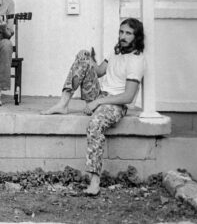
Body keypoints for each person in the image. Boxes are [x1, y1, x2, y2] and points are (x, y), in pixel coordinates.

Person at [41, 18, 145, 195]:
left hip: (115, 103)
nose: (123, 36)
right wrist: (88, 59)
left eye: (128, 33)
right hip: (99, 94)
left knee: (95, 125)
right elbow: (99, 72)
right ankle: (63, 103)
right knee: (83, 54)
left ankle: (94, 181)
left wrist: (98, 102)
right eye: (121, 32)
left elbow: (128, 96)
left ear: (137, 37)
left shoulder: (136, 60)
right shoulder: (116, 52)